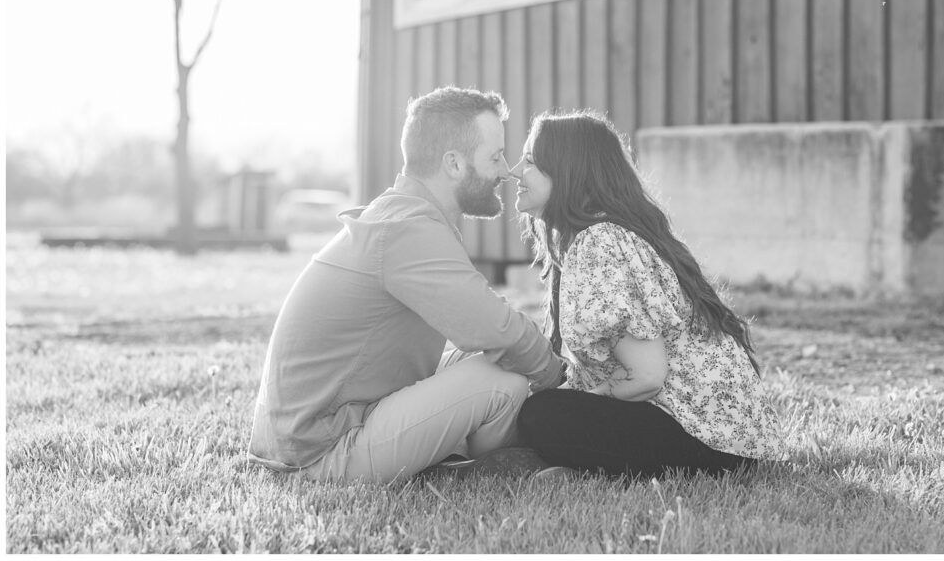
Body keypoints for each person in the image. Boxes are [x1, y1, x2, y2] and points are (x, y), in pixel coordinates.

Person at [247, 86, 563, 483]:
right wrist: (559, 379)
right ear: (453, 163)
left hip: (331, 424)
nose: (506, 171)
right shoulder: (408, 228)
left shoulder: (407, 215)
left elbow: (486, 320)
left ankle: (479, 457)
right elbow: (496, 328)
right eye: (495, 156)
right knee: (503, 380)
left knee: (495, 364)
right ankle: (499, 465)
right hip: (319, 453)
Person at [510, 110, 786, 479]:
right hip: (733, 441)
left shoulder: (600, 241)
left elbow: (647, 378)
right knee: (547, 407)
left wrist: (583, 400)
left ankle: (584, 468)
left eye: (529, 161)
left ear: (567, 171)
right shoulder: (599, 235)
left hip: (710, 442)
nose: (515, 171)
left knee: (542, 415)